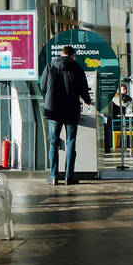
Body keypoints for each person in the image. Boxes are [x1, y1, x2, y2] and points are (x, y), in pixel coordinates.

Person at [40, 44, 92, 185]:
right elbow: (83, 89)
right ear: (72, 55)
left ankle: (54, 176)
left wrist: (51, 97)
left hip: (54, 110)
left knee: (53, 143)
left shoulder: (50, 66)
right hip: (71, 110)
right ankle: (69, 177)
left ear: (62, 54)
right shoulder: (77, 68)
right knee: (71, 143)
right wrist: (88, 101)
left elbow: (42, 85)